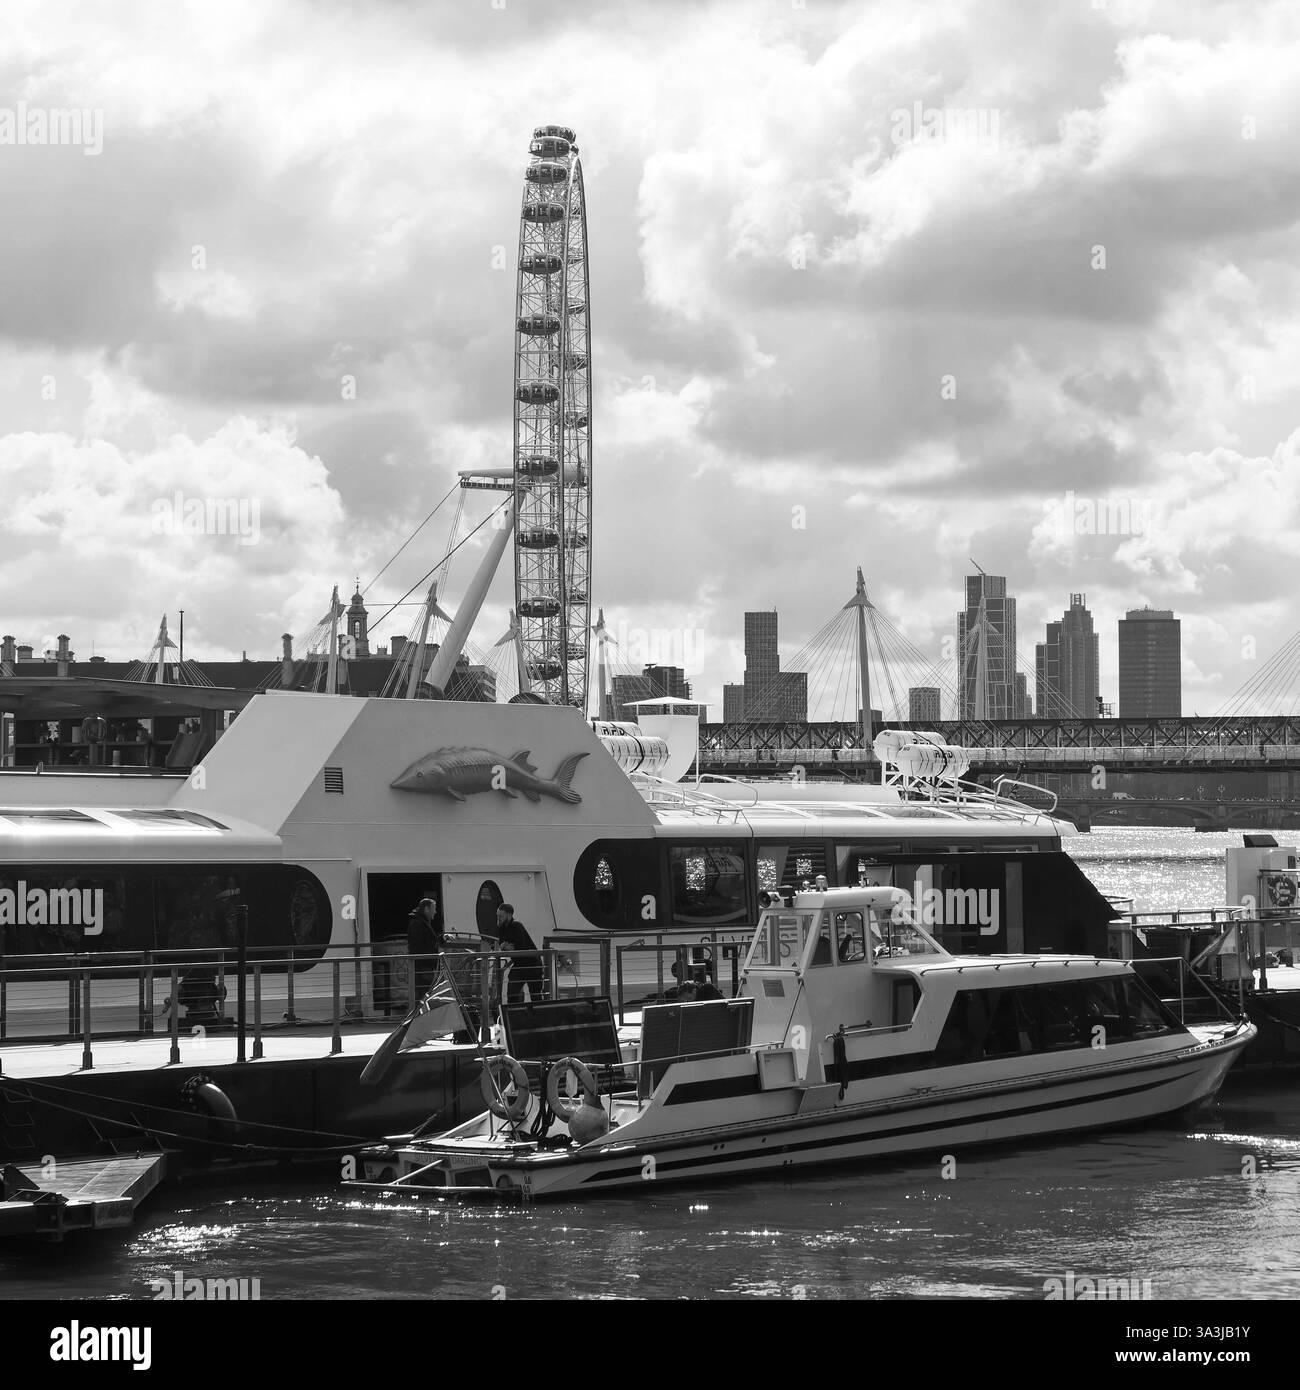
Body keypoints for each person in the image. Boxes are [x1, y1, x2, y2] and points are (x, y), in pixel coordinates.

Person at [492, 903, 546, 1004]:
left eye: (501, 916)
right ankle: (514, 1016)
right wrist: (507, 947)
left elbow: (520, 947)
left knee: (535, 995)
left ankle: (538, 1016)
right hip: (519, 964)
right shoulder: (501, 927)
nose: (498, 918)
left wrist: (507, 947)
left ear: (509, 915)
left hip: (533, 964)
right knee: (512, 993)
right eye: (497, 916)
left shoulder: (517, 925)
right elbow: (502, 944)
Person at [406, 897, 444, 995]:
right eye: (433, 909)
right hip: (423, 967)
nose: (435, 912)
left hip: (425, 966)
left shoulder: (421, 922)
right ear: (427, 909)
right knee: (423, 996)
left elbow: (428, 941)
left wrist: (442, 939)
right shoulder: (418, 924)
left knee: (425, 995)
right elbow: (417, 947)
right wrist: (430, 955)